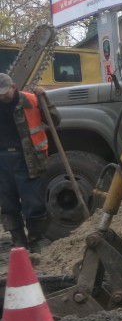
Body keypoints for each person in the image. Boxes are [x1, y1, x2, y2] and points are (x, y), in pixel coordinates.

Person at [0, 73, 59, 250]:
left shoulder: (31, 100)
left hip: (29, 159)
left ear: (13, 87)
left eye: (5, 92)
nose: (2, 96)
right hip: (2, 160)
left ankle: (36, 239)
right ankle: (18, 240)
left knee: (33, 202)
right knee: (8, 203)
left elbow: (55, 121)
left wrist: (45, 101)